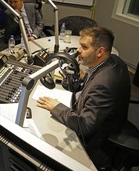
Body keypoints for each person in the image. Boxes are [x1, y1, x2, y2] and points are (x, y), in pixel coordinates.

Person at [36, 26, 131, 170]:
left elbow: (84, 126)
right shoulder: (112, 61)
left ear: (100, 51)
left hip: (98, 142)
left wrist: (56, 107)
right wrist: (79, 79)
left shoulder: (103, 85)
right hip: (107, 118)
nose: (78, 50)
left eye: (84, 47)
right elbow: (91, 85)